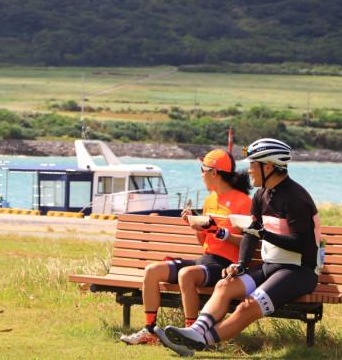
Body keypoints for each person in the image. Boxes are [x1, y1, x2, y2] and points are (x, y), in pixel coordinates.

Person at [160, 138, 322, 355]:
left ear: (268, 166)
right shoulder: (261, 194)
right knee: (224, 286)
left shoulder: (295, 198)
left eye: (253, 164)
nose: (249, 170)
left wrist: (263, 233)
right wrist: (241, 265)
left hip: (299, 271)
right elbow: (251, 236)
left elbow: (302, 245)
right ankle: (194, 332)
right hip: (271, 266)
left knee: (248, 305)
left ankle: (200, 341)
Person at [119, 149, 252, 355]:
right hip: (206, 260)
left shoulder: (243, 202)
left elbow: (247, 243)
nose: (201, 174)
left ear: (214, 173)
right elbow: (206, 243)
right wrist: (197, 228)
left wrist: (218, 231)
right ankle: (149, 331)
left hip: (226, 265)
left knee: (186, 274)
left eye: (202, 170)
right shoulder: (210, 201)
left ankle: (188, 336)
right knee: (152, 271)